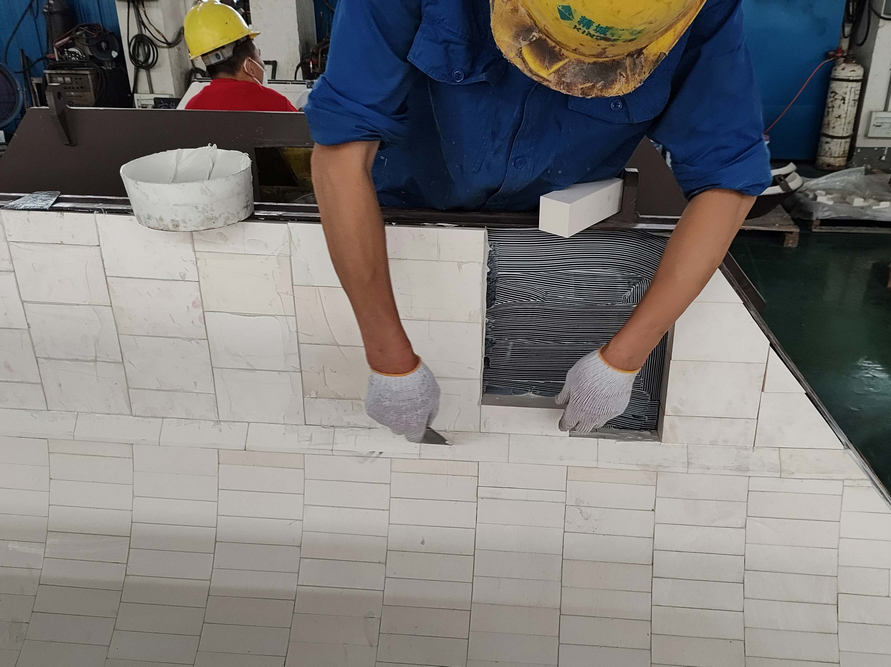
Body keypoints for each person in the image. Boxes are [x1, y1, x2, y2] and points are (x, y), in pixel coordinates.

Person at [305, 0, 771, 439]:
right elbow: (342, 150)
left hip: (557, 249)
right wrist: (387, 357)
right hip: (399, 226)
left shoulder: (697, 9)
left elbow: (729, 178)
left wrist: (624, 359)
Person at [182, 0, 296, 112]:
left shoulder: (192, 106)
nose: (262, 63)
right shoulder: (276, 104)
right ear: (249, 65)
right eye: (258, 55)